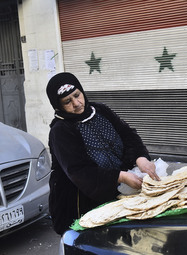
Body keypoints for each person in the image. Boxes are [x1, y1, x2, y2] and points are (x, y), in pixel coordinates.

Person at [46, 72, 160, 235]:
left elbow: (128, 134)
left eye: (77, 95)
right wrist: (119, 177)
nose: (77, 103)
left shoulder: (100, 110)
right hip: (82, 202)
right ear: (58, 106)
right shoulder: (61, 131)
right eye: (67, 101)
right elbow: (81, 172)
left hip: (119, 190)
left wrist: (140, 158)